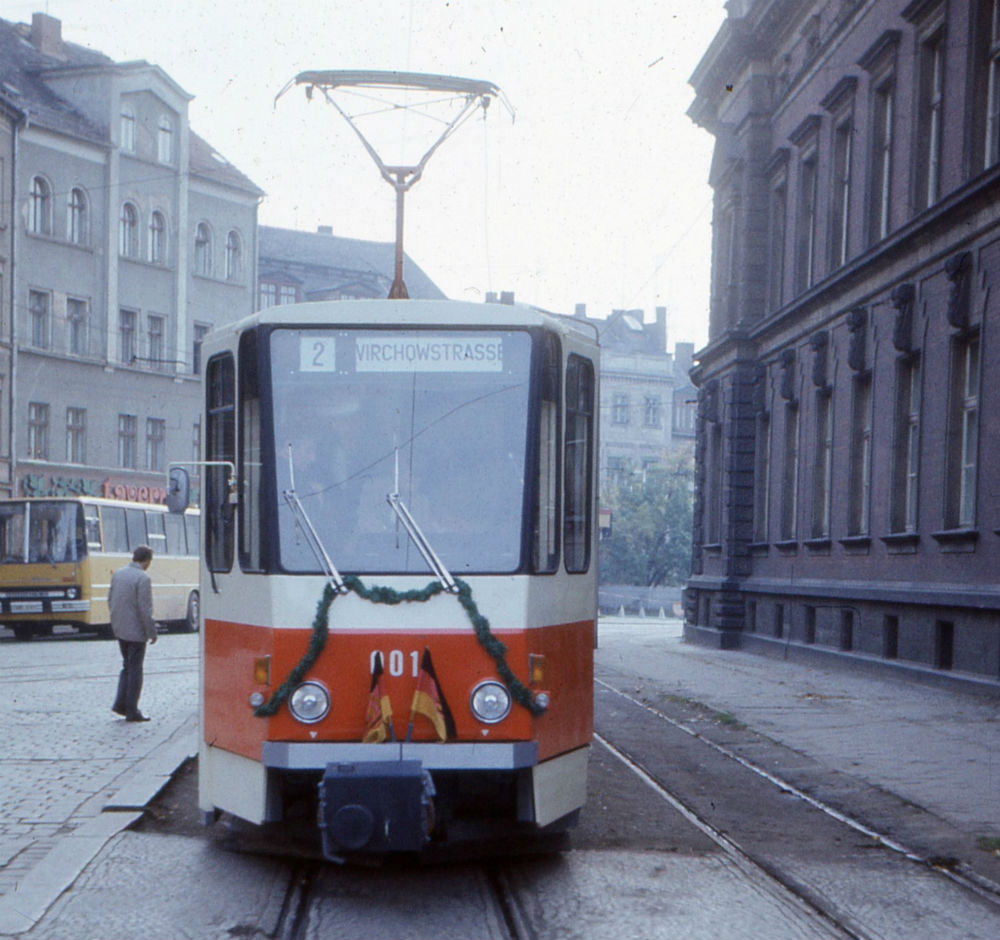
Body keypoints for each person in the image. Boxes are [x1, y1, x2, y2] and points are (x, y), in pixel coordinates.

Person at [109, 545, 158, 722]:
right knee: (136, 669)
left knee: (126, 666)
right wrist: (151, 632)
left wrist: (116, 622)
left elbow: (110, 599)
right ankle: (132, 709)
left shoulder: (119, 573)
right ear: (147, 560)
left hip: (120, 628)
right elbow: (145, 609)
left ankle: (120, 704)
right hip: (136, 631)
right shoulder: (143, 578)